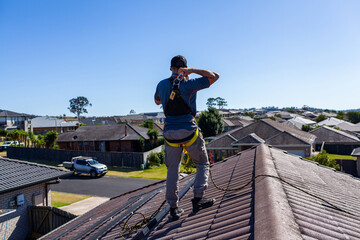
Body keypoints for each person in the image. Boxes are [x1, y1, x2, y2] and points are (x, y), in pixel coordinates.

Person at [154, 55, 220, 220]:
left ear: (170, 68)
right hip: (189, 132)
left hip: (170, 134)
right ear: (185, 67)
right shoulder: (189, 85)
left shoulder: (161, 85)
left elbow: (156, 101)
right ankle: (198, 198)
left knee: (172, 171)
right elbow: (214, 76)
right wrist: (191, 72)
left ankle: (173, 209)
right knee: (203, 163)